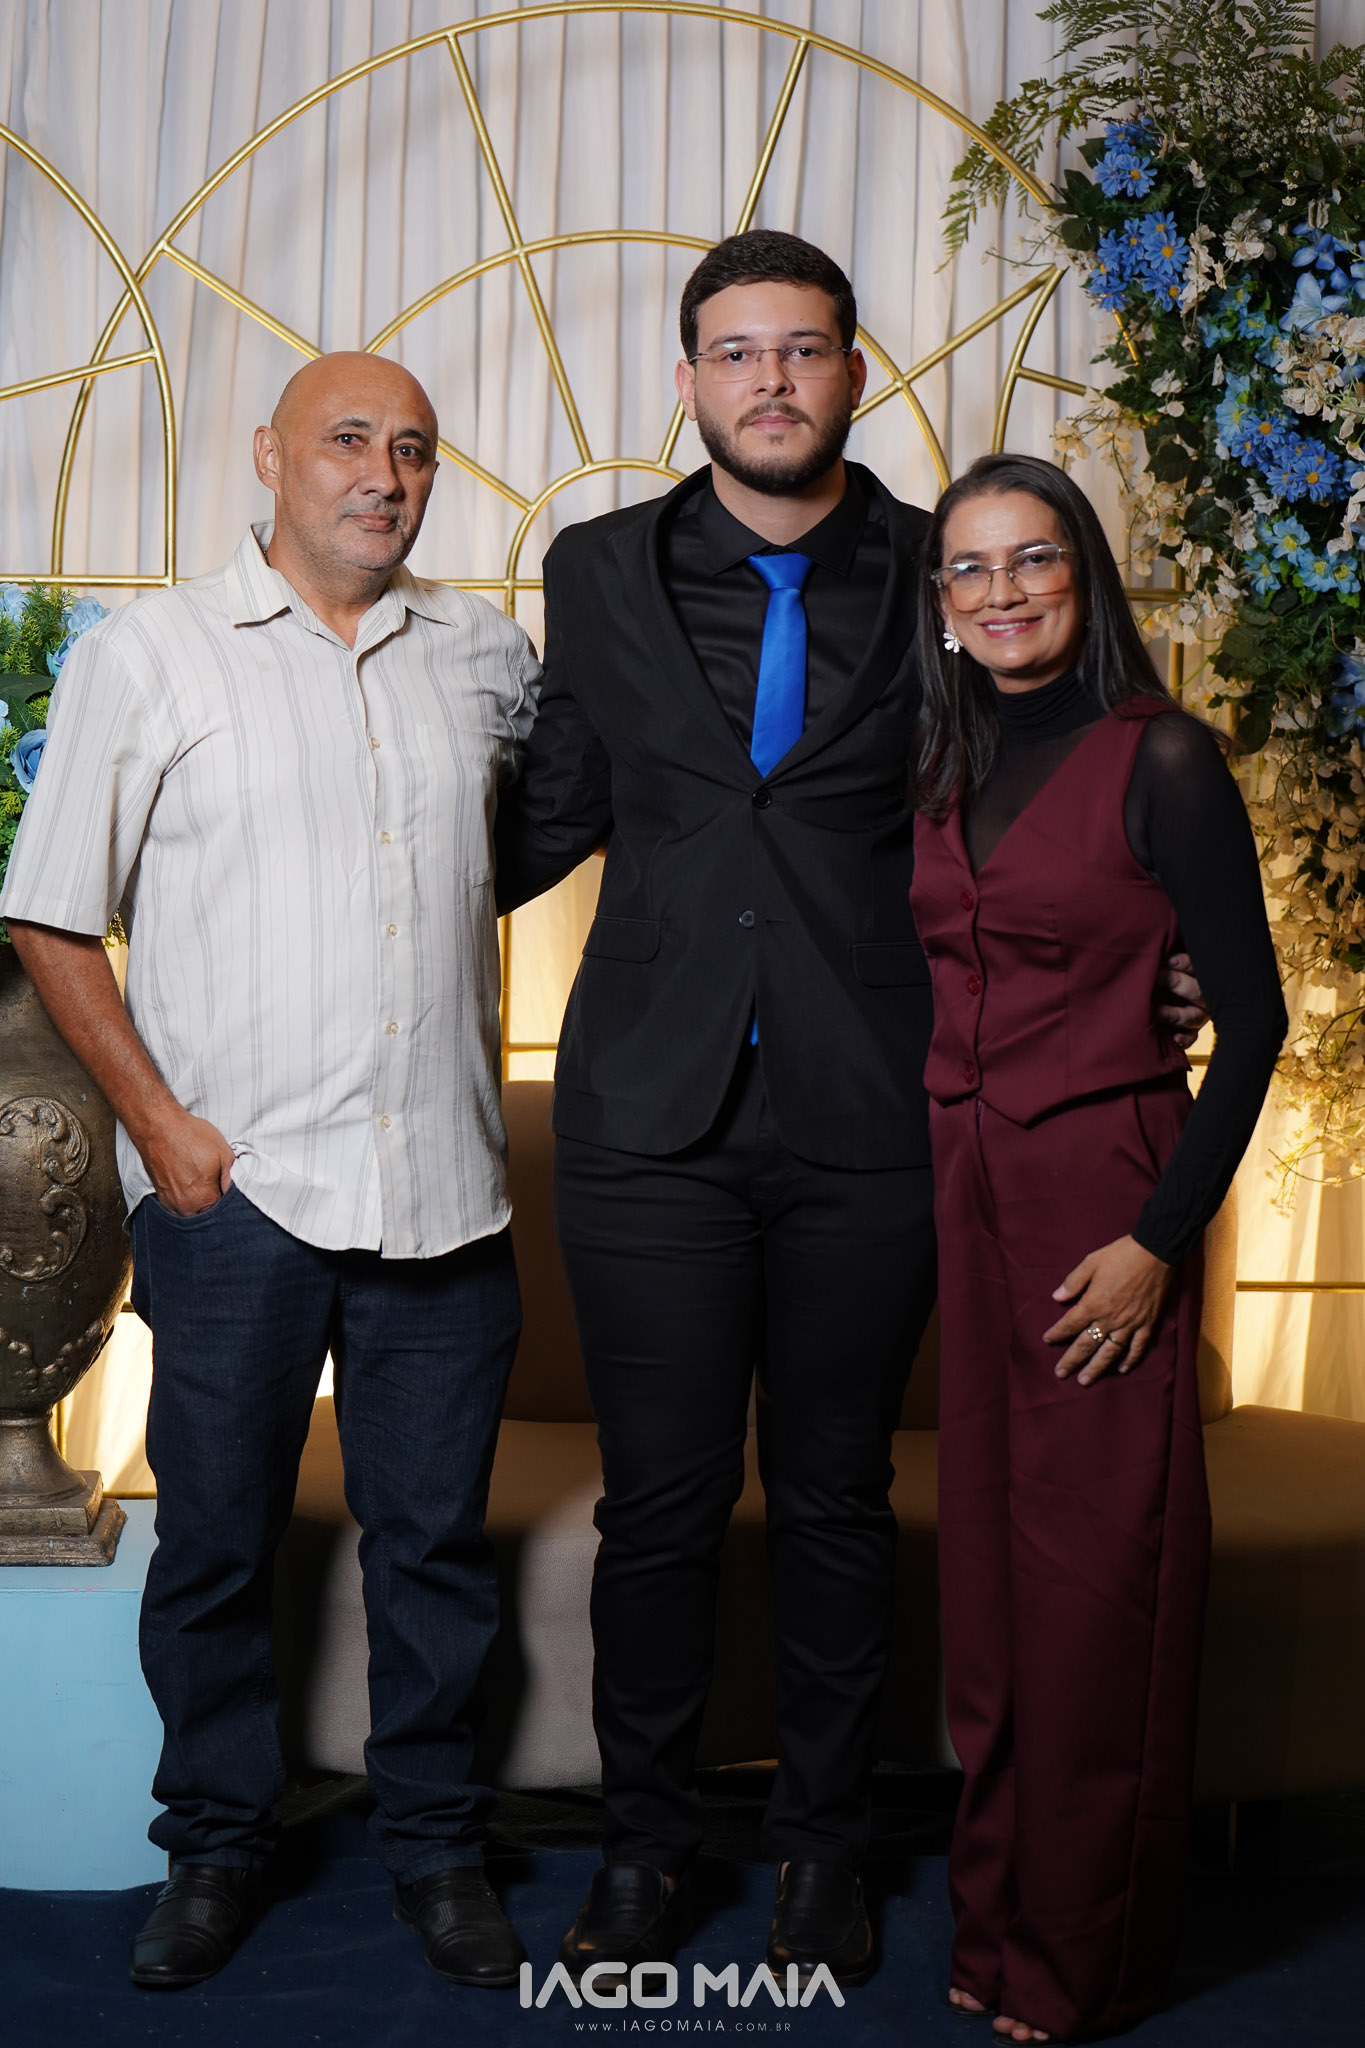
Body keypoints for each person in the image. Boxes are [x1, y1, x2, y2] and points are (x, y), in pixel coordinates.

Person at [492, 231, 1205, 1987]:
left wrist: (1160, 948)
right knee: (660, 1509)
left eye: (802, 350)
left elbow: (1058, 765)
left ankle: (823, 1849)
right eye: (736, 353)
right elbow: (553, 806)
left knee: (830, 1498)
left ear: (853, 371)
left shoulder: (939, 566)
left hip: (875, 1108)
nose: (771, 382)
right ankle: (648, 1849)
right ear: (688, 381)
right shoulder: (593, 570)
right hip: (644, 1115)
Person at [0, 353, 541, 1994]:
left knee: (433, 1550)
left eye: (414, 450)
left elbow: (526, 849)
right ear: (268, 458)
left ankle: (437, 1849)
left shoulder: (485, 657)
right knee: (220, 1546)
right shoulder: (152, 655)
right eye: (348, 441)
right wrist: (162, 1128)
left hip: (443, 1190)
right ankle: (218, 1848)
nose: (384, 474)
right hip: (236, 1195)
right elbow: (48, 912)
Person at [909, 453, 1287, 2042]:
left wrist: (1155, 1243)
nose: (1002, 591)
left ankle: (1085, 1958)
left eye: (1033, 558)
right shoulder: (939, 758)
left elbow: (1250, 1022)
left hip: (1099, 1207)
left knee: (1090, 1596)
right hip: (968, 1200)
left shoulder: (1164, 758)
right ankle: (997, 1924)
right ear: (940, 603)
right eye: (970, 568)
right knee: (990, 1596)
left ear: (1084, 573)